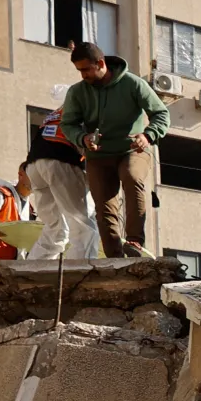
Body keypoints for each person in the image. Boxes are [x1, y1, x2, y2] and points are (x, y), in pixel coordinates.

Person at [59, 41, 169, 258]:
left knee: (131, 176)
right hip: (99, 155)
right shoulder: (77, 92)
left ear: (101, 64)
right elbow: (67, 124)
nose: (83, 75)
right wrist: (83, 138)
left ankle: (135, 242)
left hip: (133, 150)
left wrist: (147, 135)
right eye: (79, 71)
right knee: (104, 205)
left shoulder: (132, 84)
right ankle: (114, 258)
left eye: (86, 69)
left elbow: (161, 114)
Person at [24, 104, 97, 260]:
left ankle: (34, 272)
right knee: (83, 224)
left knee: (55, 229)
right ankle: (82, 272)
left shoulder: (59, 111)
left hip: (35, 164)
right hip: (60, 160)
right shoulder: (92, 107)